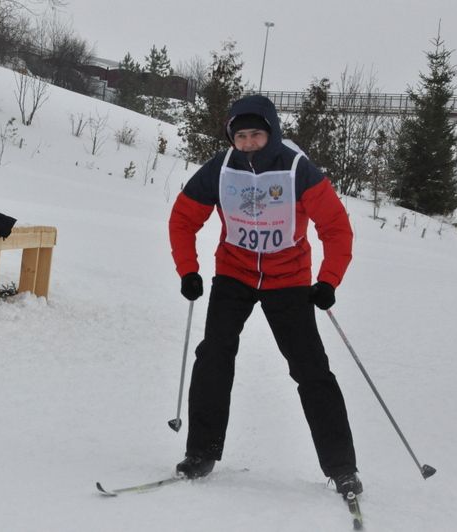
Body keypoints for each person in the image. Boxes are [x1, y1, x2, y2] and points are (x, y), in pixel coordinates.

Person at [168, 94, 362, 496]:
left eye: (256, 134)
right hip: (234, 274)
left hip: (288, 279)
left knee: (311, 369)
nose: (249, 143)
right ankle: (202, 452)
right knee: (213, 356)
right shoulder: (220, 168)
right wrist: (188, 269)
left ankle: (342, 466)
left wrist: (328, 281)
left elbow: (336, 228)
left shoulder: (296, 169)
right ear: (231, 137)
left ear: (271, 133)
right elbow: (183, 217)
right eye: (240, 136)